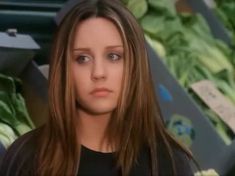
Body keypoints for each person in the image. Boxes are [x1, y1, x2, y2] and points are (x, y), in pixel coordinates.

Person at [0, 0, 197, 175]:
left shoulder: (169, 163)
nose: (98, 72)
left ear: (135, 66)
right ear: (64, 69)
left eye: (113, 56)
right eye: (83, 58)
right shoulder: (28, 157)